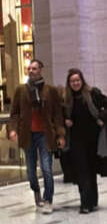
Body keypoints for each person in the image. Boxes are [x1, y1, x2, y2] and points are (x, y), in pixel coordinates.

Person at [8, 58, 65, 213]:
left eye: (34, 68)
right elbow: (14, 113)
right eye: (29, 69)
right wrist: (13, 130)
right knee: (31, 171)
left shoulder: (50, 90)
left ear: (41, 70)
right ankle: (36, 191)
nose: (31, 71)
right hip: (28, 135)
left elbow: (57, 115)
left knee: (46, 168)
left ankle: (48, 200)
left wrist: (60, 135)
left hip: (45, 135)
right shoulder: (21, 90)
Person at [62, 68, 107, 214]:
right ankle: (85, 203)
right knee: (82, 171)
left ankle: (92, 200)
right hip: (76, 140)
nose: (75, 83)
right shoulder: (67, 99)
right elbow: (62, 116)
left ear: (82, 81)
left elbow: (105, 106)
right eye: (72, 81)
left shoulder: (93, 93)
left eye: (77, 80)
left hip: (93, 139)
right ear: (69, 83)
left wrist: (101, 118)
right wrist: (65, 121)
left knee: (91, 171)